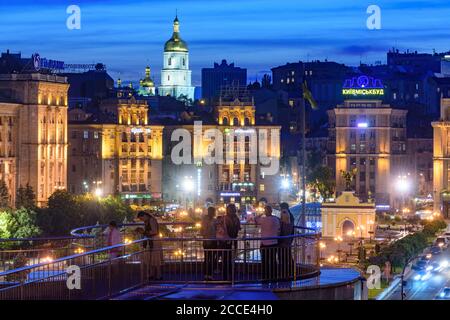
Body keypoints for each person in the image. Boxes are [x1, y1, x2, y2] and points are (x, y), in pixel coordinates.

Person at [255, 205, 281, 280]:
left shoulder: (263, 219)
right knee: (273, 260)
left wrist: (261, 213)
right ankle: (274, 276)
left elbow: (255, 218)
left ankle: (264, 276)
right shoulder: (276, 219)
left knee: (264, 261)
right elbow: (279, 229)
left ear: (266, 211)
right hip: (274, 242)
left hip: (264, 243)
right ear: (271, 211)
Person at [136, 211, 162, 280]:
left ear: (144, 216)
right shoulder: (147, 221)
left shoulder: (151, 220)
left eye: (141, 218)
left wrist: (144, 232)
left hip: (154, 240)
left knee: (155, 257)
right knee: (150, 257)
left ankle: (158, 275)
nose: (142, 220)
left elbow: (155, 231)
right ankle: (152, 274)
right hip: (150, 240)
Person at [220, 204, 241, 280]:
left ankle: (227, 277)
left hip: (226, 241)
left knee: (226, 259)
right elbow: (238, 228)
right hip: (231, 240)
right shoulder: (235, 219)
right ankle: (230, 277)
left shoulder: (225, 218)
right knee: (230, 259)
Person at [279, 203, 295, 278]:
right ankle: (291, 271)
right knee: (288, 255)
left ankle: (285, 272)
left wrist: (281, 238)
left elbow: (284, 226)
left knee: (284, 255)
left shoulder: (284, 212)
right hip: (288, 238)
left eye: (280, 207)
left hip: (284, 239)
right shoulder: (290, 214)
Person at [200, 207, 217, 280]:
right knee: (207, 258)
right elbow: (204, 230)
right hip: (207, 240)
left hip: (212, 240)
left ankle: (209, 274)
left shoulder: (214, 220)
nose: (214, 213)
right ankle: (207, 274)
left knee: (211, 257)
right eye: (213, 212)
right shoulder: (205, 220)